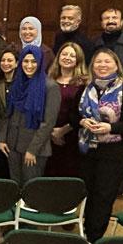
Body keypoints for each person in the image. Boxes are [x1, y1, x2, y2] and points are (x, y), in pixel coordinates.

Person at [72, 48, 123, 242]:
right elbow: (73, 115)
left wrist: (111, 127)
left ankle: (94, 239)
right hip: (87, 152)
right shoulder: (85, 89)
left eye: (107, 61)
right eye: (98, 62)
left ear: (116, 66)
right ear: (92, 66)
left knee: (103, 197)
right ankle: (85, 232)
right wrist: (82, 121)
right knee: (88, 192)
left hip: (113, 155)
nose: (102, 65)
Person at [0, 46, 61, 186]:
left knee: (30, 189)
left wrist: (32, 150)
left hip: (34, 149)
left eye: (34, 61)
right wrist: (1, 139)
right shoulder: (17, 84)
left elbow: (48, 123)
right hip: (12, 146)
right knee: (14, 187)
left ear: (40, 63)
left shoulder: (50, 87)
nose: (29, 65)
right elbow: (8, 114)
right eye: (26, 61)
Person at [45, 42, 89, 177]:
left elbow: (83, 112)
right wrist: (50, 132)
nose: (67, 58)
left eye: (72, 55)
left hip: (72, 135)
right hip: (47, 134)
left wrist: (62, 131)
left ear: (78, 60)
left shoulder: (84, 82)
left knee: (68, 175)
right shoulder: (48, 79)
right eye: (64, 54)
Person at [0, 47, 19, 178]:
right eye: (3, 60)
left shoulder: (23, 84)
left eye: (10, 60)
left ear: (17, 63)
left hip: (18, 134)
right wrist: (1, 126)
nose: (6, 63)